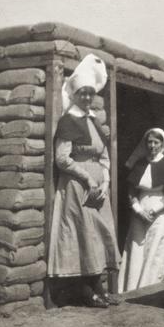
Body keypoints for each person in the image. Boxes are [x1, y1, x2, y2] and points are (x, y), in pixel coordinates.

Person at [47, 54, 121, 308]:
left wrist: (106, 182)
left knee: (99, 236)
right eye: (82, 94)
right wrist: (89, 179)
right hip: (77, 188)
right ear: (75, 95)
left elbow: (104, 157)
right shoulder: (69, 121)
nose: (87, 98)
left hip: (98, 189)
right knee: (84, 236)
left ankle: (98, 289)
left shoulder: (94, 122)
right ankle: (88, 292)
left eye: (90, 93)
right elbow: (62, 159)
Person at [118, 128, 164, 292]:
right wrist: (139, 210)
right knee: (136, 248)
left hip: (160, 212)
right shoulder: (139, 164)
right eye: (149, 142)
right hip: (139, 209)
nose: (152, 146)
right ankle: (130, 289)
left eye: (156, 142)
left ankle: (149, 289)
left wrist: (153, 211)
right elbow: (131, 192)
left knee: (154, 249)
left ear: (162, 144)